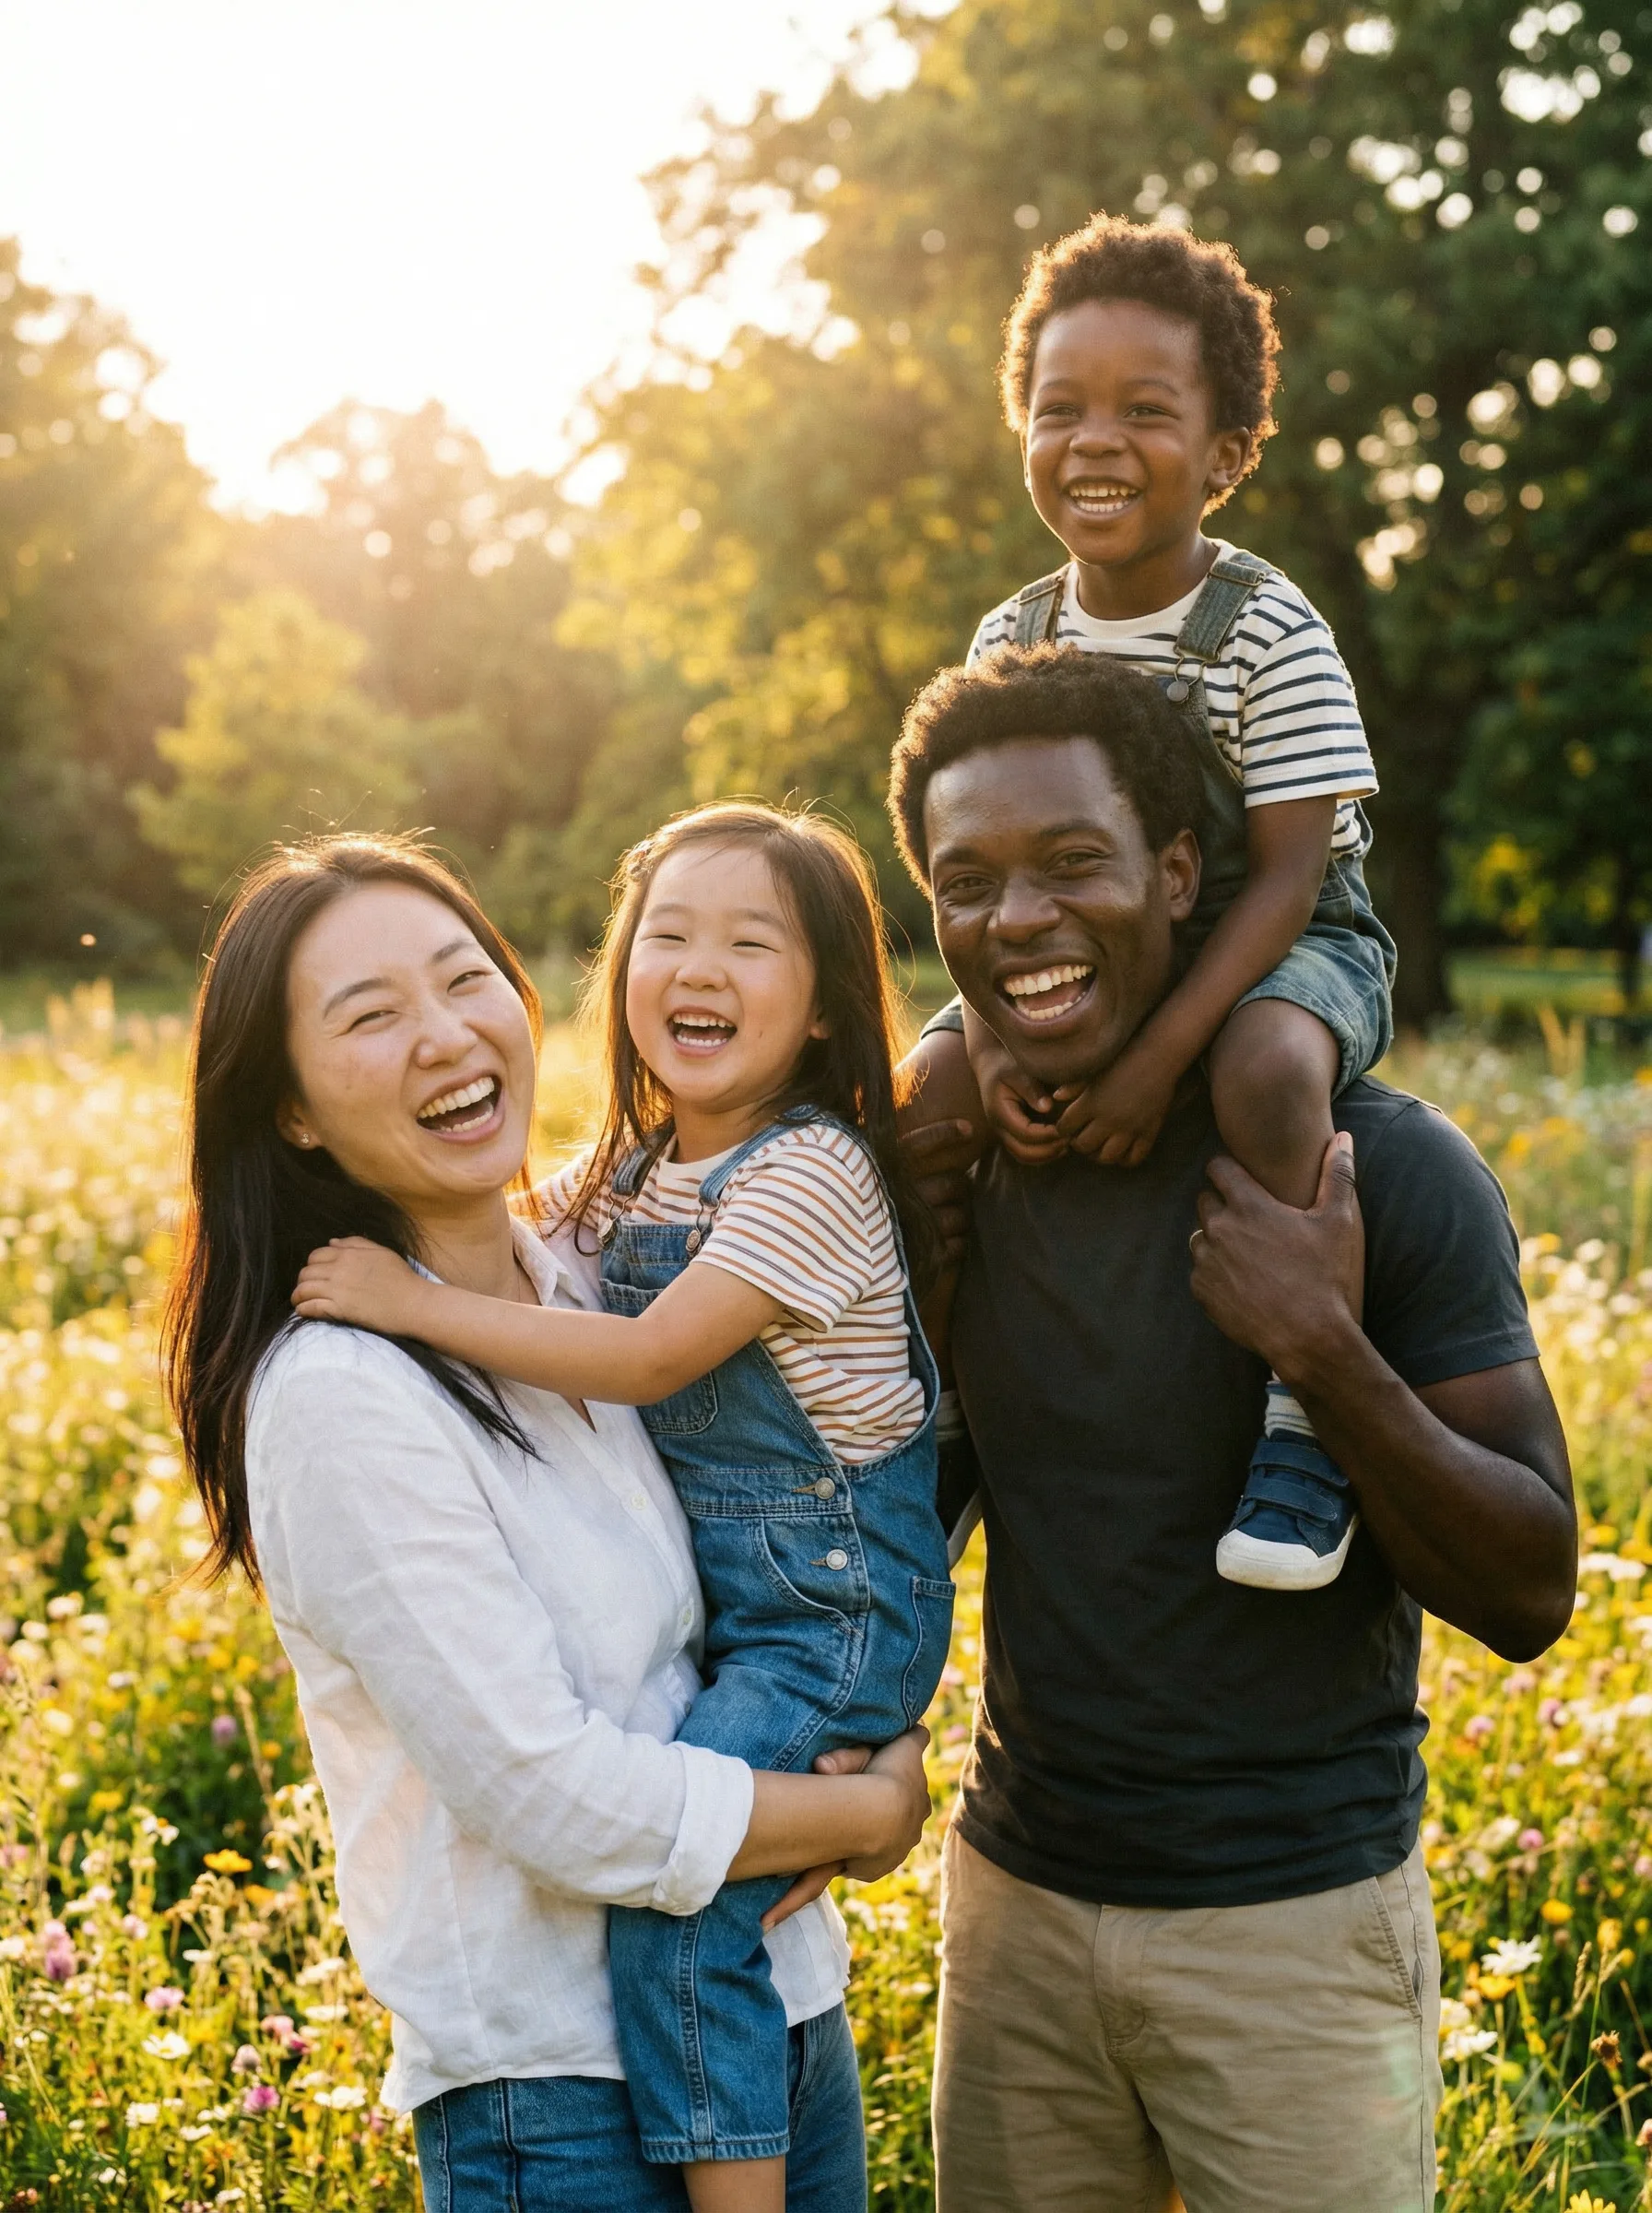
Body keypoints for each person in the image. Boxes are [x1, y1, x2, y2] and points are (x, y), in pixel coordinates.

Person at [890, 648, 1576, 2213]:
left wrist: (1321, 1351)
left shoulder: (1372, 1169)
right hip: (1015, 1919)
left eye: (1076, 864)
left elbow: (1532, 1592)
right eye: (968, 881)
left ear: (1183, 871)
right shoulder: (959, 1170)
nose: (1020, 921)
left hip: (1297, 1936)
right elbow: (904, 1517)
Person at [162, 834, 935, 2213]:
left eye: (467, 980)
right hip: (566, 2104)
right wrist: (863, 1811)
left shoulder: (593, 1277)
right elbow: (551, 1796)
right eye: (372, 1014)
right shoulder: (343, 1391)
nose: (446, 1035)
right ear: (288, 1111)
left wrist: (893, 1728)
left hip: (783, 2021)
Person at [921, 210, 1397, 1592]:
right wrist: (1000, 1043)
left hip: (1282, 942)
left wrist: (1151, 1066)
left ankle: (1303, 1427)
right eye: (1059, 407)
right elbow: (974, 869)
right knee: (923, 1102)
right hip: (1074, 956)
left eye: (1146, 410)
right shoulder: (1010, 638)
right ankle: (951, 1410)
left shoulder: (1268, 630)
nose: (1096, 441)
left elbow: (1294, 876)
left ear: (1227, 454)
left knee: (1263, 1064)